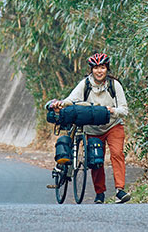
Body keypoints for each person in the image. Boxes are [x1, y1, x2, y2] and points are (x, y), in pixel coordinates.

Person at [53, 52, 130, 204]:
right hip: (92, 128)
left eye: (102, 67)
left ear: (107, 69)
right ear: (91, 70)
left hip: (113, 125)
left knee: (117, 154)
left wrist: (112, 110)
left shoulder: (114, 85)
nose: (99, 71)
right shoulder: (85, 84)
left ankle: (120, 191)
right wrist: (60, 104)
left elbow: (124, 110)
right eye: (95, 68)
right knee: (96, 159)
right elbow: (71, 99)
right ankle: (99, 194)